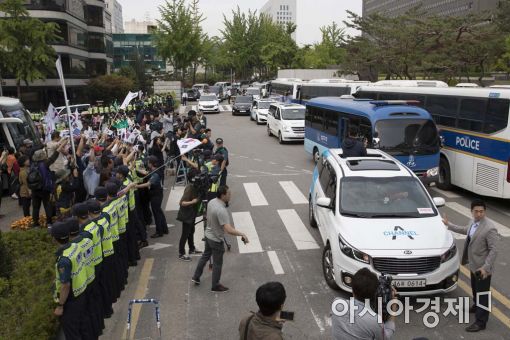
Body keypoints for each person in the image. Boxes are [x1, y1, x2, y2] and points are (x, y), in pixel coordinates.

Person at [442, 199, 501, 332]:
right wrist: (449, 224)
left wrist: (485, 268)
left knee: (483, 295)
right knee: (475, 289)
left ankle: (481, 322)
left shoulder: (489, 228)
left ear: (485, 211)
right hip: (474, 264)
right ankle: (476, 307)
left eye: (481, 211)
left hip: (483, 268)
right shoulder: (472, 222)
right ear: (472, 211)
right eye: (476, 211)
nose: (479, 214)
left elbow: (494, 250)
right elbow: (465, 230)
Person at [191, 185, 249, 292]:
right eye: (228, 194)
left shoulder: (212, 201)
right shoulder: (221, 210)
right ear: (223, 195)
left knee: (205, 256)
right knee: (217, 264)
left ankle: (196, 276)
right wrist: (242, 234)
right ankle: (215, 285)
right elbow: (228, 229)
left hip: (208, 234)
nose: (230, 195)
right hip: (216, 240)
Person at [51, 220, 93, 340]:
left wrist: (60, 306)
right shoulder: (75, 246)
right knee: (83, 327)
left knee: (72, 333)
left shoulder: (63, 260)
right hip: (82, 291)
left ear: (54, 239)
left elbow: (66, 285)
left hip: (71, 299)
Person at [331, 268, 397, 340]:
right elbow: (385, 338)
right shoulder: (374, 321)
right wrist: (392, 309)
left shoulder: (336, 304)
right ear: (375, 294)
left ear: (353, 290)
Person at [31, 139, 68, 227]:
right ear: (42, 156)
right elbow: (55, 155)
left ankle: (35, 224)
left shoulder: (32, 165)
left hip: (35, 189)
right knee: (47, 205)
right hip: (44, 188)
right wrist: (61, 145)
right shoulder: (45, 163)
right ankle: (49, 223)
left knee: (35, 207)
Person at [135, 156, 168, 238]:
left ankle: (159, 231)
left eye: (148, 162)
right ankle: (164, 228)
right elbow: (145, 173)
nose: (147, 163)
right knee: (159, 211)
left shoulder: (156, 173)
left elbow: (148, 184)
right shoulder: (153, 170)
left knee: (156, 213)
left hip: (156, 195)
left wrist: (136, 186)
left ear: (151, 164)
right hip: (155, 194)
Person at [177, 170, 202, 261]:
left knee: (191, 231)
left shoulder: (196, 186)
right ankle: (181, 253)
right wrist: (193, 201)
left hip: (192, 213)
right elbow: (182, 203)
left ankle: (192, 249)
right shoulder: (189, 188)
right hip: (186, 214)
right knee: (185, 234)